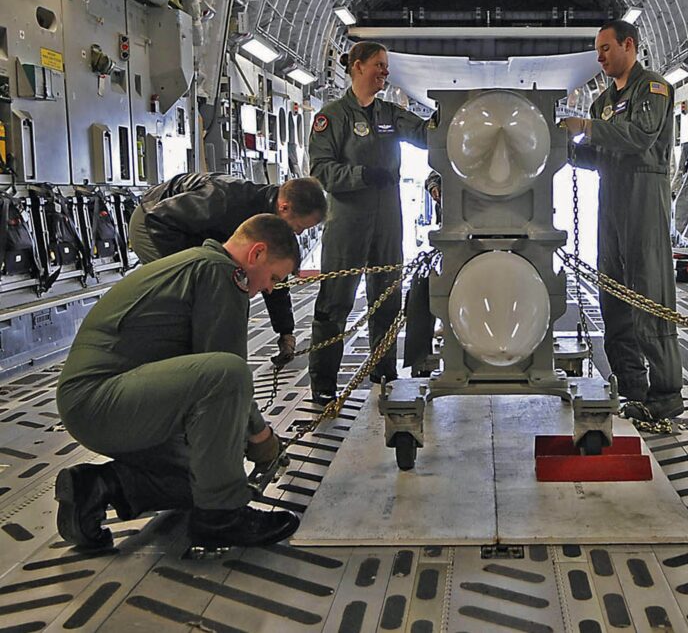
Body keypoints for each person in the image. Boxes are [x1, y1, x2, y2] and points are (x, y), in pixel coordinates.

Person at [55, 215, 304, 550]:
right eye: (274, 276)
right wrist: (262, 439)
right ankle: (222, 516)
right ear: (256, 253)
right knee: (228, 373)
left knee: (201, 476)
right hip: (102, 401)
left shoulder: (197, 263)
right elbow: (225, 375)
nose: (271, 287)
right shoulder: (221, 273)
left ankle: (98, 486)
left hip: (101, 404)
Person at [564, 19, 684, 421]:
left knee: (650, 293)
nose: (600, 58)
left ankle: (665, 392)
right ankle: (632, 384)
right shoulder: (601, 103)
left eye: (605, 49)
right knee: (612, 291)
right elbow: (598, 156)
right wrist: (566, 148)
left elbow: (638, 137)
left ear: (628, 45)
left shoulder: (653, 88)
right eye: (597, 51)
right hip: (611, 196)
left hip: (644, 195)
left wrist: (586, 127)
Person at [306, 41, 430, 404]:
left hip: (388, 222)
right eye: (379, 65)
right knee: (336, 303)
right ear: (358, 67)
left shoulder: (390, 114)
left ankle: (384, 371)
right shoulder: (331, 118)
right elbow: (321, 170)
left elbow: (426, 135)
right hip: (347, 222)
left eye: (386, 66)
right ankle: (324, 383)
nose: (384, 72)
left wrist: (453, 115)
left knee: (387, 299)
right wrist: (362, 175)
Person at [129, 173, 326, 364]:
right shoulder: (228, 200)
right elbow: (160, 218)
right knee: (197, 292)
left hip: (189, 231)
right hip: (153, 220)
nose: (298, 233)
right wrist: (194, 269)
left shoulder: (274, 222)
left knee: (221, 286)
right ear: (284, 207)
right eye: (299, 226)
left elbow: (272, 275)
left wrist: (285, 331)